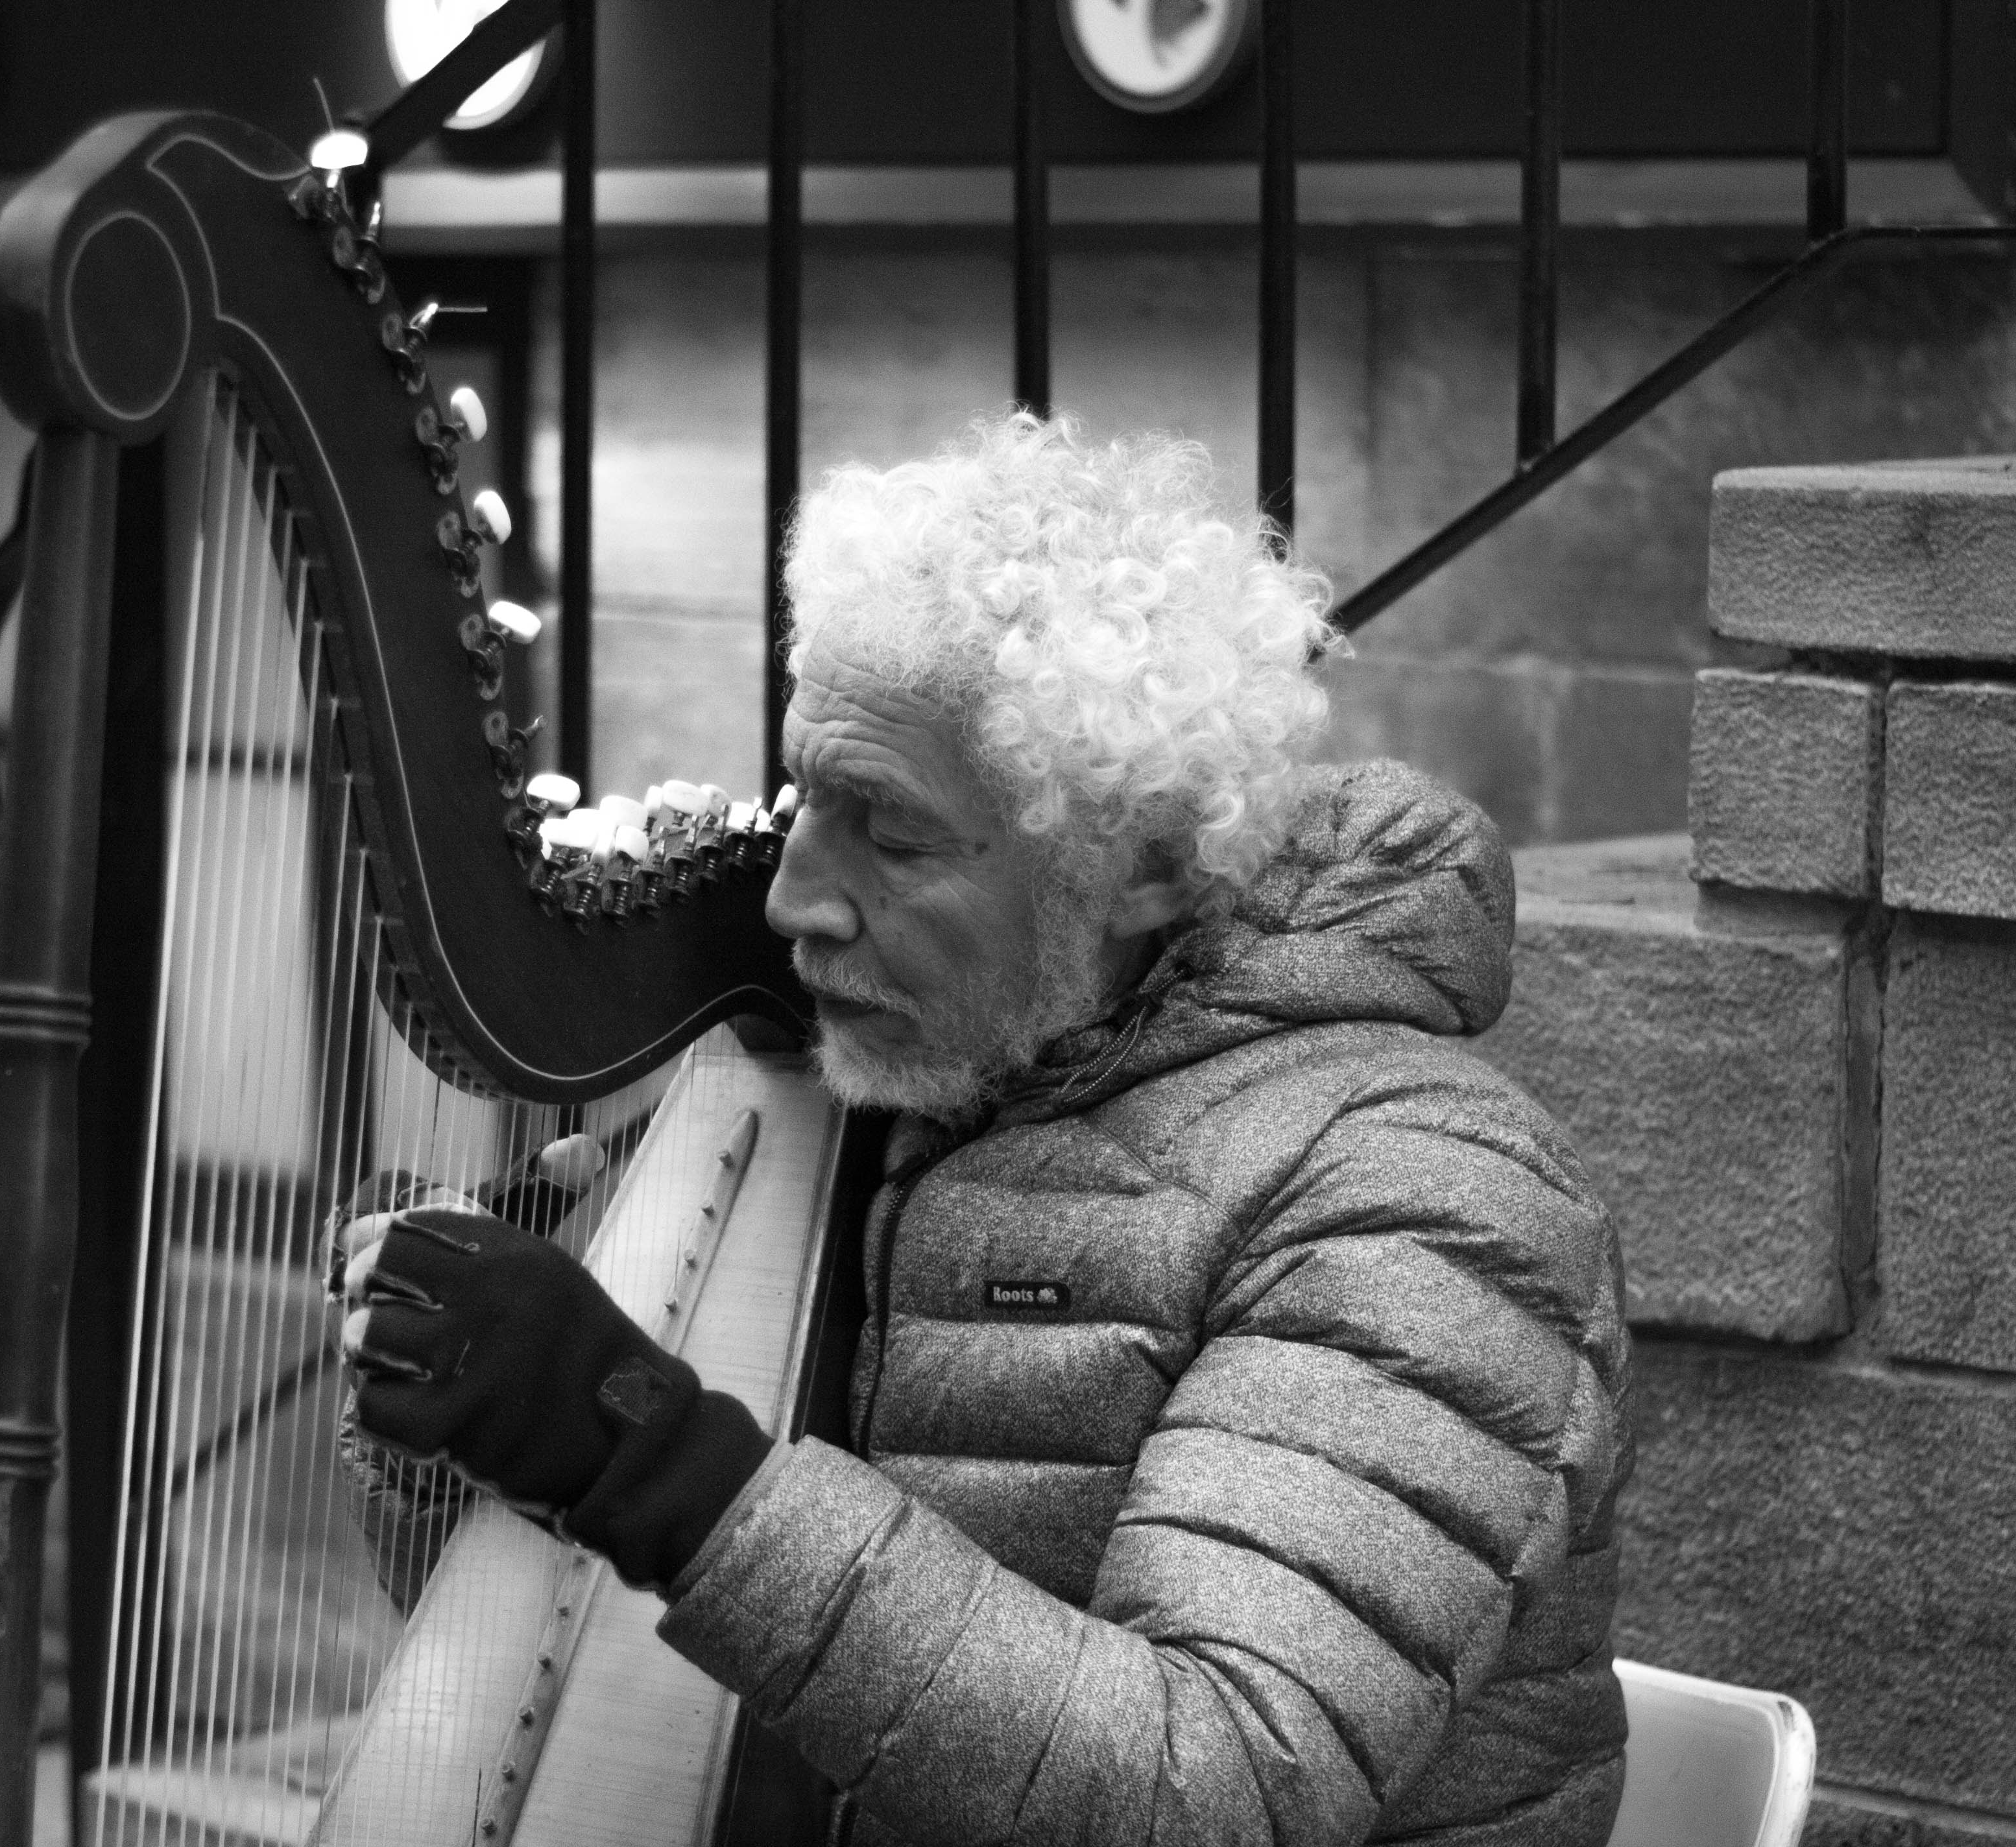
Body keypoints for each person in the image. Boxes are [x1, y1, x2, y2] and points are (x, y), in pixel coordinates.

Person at [341, 412, 1632, 1846]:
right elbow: (604, 1660)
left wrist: (637, 1444)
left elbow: (1213, 1786)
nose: (791, 900)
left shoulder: (1421, 1194)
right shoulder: (929, 1087)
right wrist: (470, 1413)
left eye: (889, 832)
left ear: (1139, 862)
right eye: (805, 798)